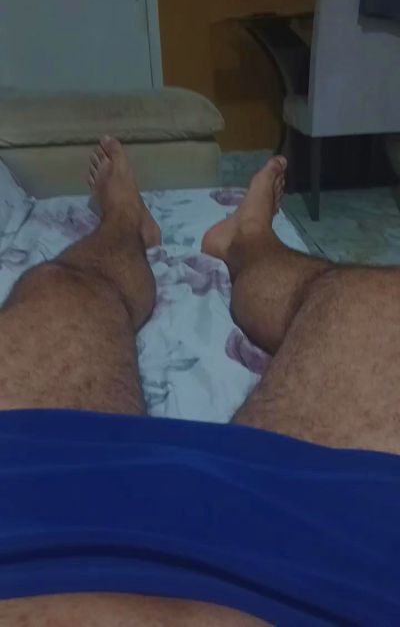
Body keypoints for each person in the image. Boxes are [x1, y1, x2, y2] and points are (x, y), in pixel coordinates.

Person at [1, 137, 399, 627]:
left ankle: (236, 237)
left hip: (22, 512)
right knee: (378, 305)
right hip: (351, 558)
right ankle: (131, 220)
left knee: (61, 289)